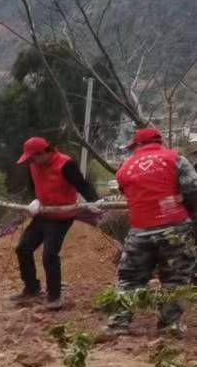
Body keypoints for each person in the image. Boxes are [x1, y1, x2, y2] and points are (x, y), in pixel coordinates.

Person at [109, 125, 197, 335]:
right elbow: (193, 190)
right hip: (175, 227)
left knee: (129, 277)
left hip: (141, 228)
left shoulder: (125, 167)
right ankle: (169, 325)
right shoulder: (176, 159)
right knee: (175, 278)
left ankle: (120, 322)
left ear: (139, 144)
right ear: (159, 142)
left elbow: (125, 190)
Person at [11, 136, 99, 311]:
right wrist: (34, 201)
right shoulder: (33, 166)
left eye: (33, 157)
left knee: (49, 255)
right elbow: (34, 187)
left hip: (61, 216)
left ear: (43, 153)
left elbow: (83, 185)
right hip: (43, 213)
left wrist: (95, 202)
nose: (31, 161)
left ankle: (54, 297)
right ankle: (32, 288)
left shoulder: (66, 164)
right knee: (23, 248)